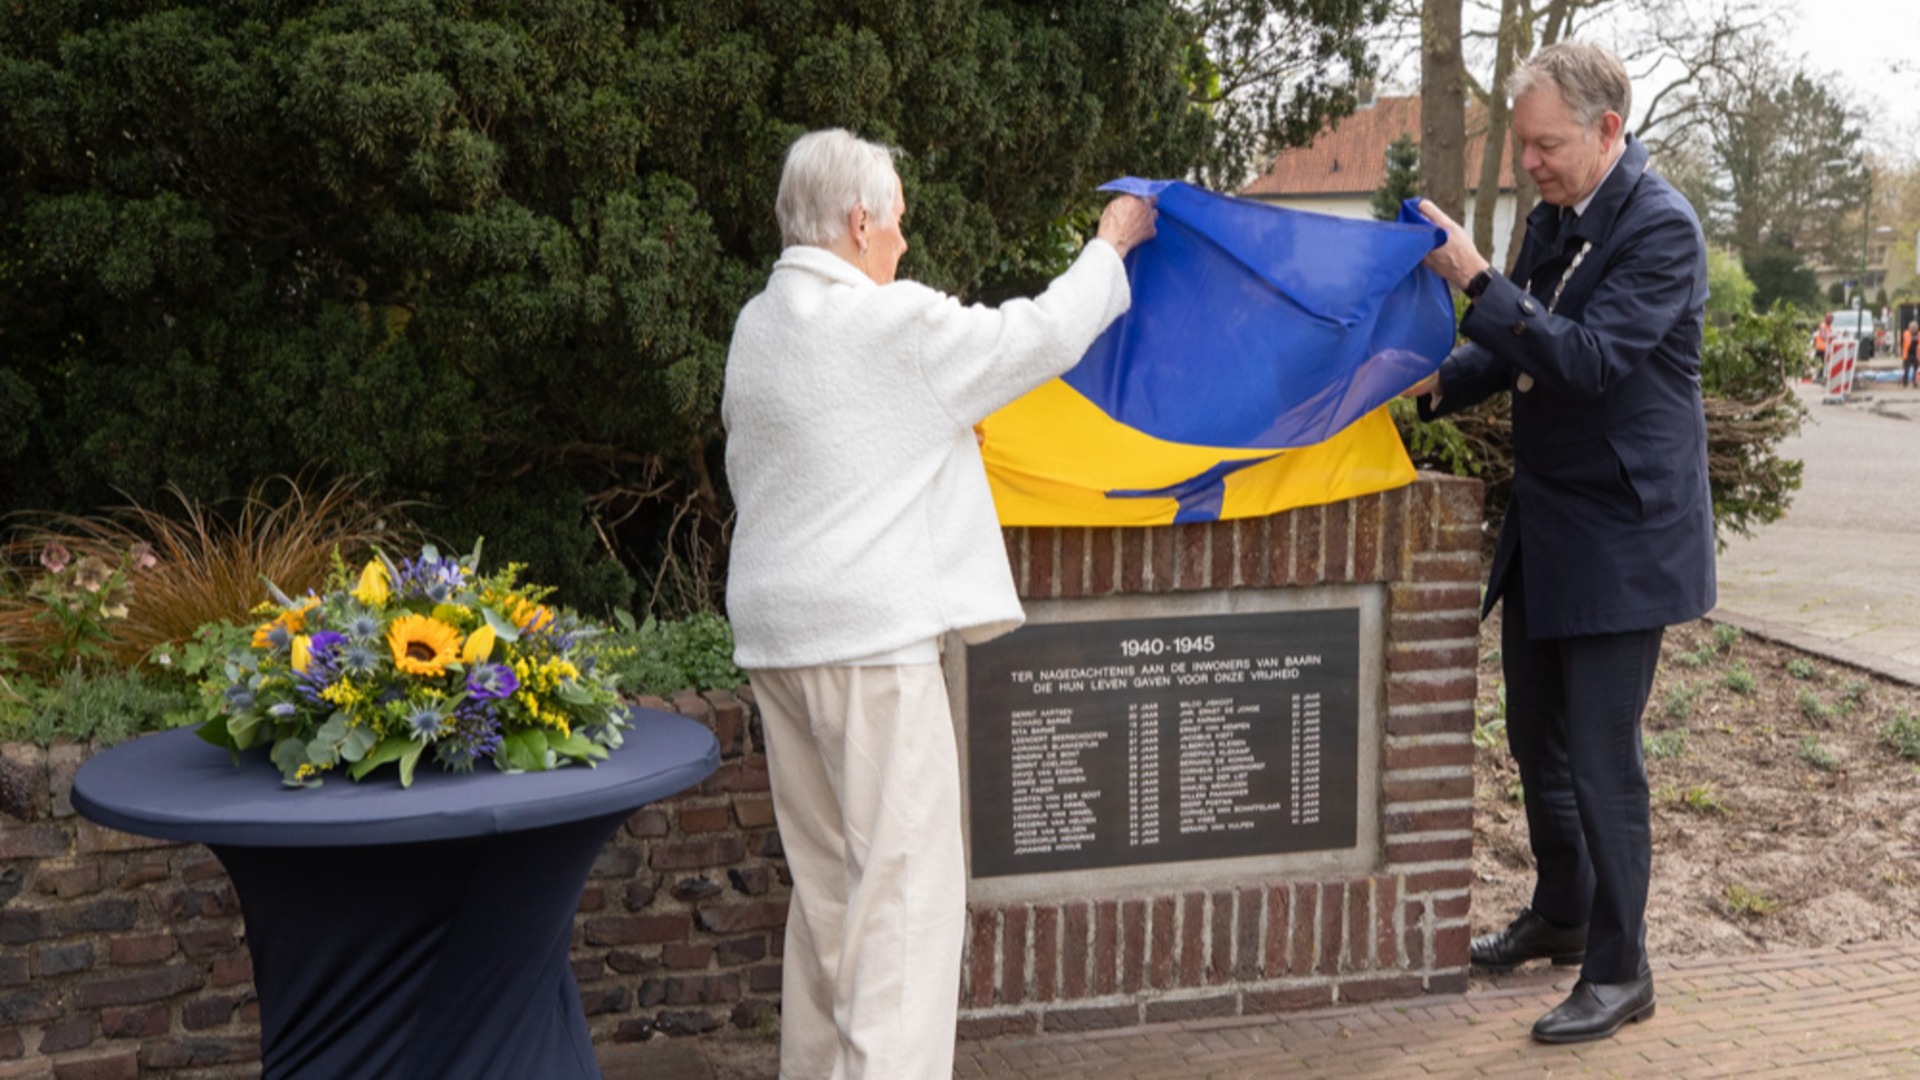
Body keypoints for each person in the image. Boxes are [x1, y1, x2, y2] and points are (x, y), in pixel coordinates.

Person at [721, 128, 1155, 1079]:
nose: (904, 247)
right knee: (908, 905)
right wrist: (1111, 245)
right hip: (870, 649)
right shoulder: (886, 327)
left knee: (832, 896)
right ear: (861, 221)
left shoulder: (760, 324)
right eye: (899, 226)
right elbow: (1033, 337)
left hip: (777, 646)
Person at [1402, 42, 1715, 1044]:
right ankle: (1566, 915)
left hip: (1625, 537)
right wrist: (1438, 382)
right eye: (1524, 145)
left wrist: (1475, 276)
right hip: (1550, 522)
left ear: (1606, 131)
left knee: (1600, 754)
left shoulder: (1661, 229)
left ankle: (1623, 971)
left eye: (1544, 145)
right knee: (1536, 734)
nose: (1527, 162)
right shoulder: (1556, 215)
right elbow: (1515, 339)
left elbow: (1581, 360)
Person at [1812, 313, 1833, 384]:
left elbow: (1830, 334)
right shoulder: (1823, 325)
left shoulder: (1829, 326)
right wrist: (1831, 337)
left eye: (1831, 319)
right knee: (1821, 363)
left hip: (1825, 348)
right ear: (1826, 319)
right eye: (1829, 319)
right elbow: (1824, 336)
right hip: (1821, 347)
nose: (1831, 321)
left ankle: (1820, 376)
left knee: (1822, 363)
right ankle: (1819, 377)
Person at [1903, 319, 1918, 388]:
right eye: (1912, 327)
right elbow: (1907, 340)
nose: (1914, 328)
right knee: (1906, 369)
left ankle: (1915, 382)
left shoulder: (1918, 334)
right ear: (1910, 328)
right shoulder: (1906, 333)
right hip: (1908, 354)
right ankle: (1905, 383)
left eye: (1915, 327)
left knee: (1916, 370)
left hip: (1916, 355)